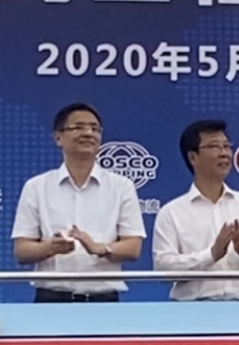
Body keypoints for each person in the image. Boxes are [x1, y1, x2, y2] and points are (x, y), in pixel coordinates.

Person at [11, 103, 146, 302]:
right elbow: (22, 250)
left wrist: (102, 248)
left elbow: (133, 247)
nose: (88, 133)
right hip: (52, 299)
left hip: (103, 300)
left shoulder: (121, 186)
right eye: (78, 127)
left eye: (94, 128)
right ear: (58, 137)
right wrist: (51, 247)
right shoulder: (37, 186)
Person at [152, 120, 239, 300]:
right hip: (194, 308)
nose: (224, 153)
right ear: (193, 157)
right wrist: (211, 255)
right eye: (214, 147)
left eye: (226, 146)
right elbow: (163, 268)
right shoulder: (171, 212)